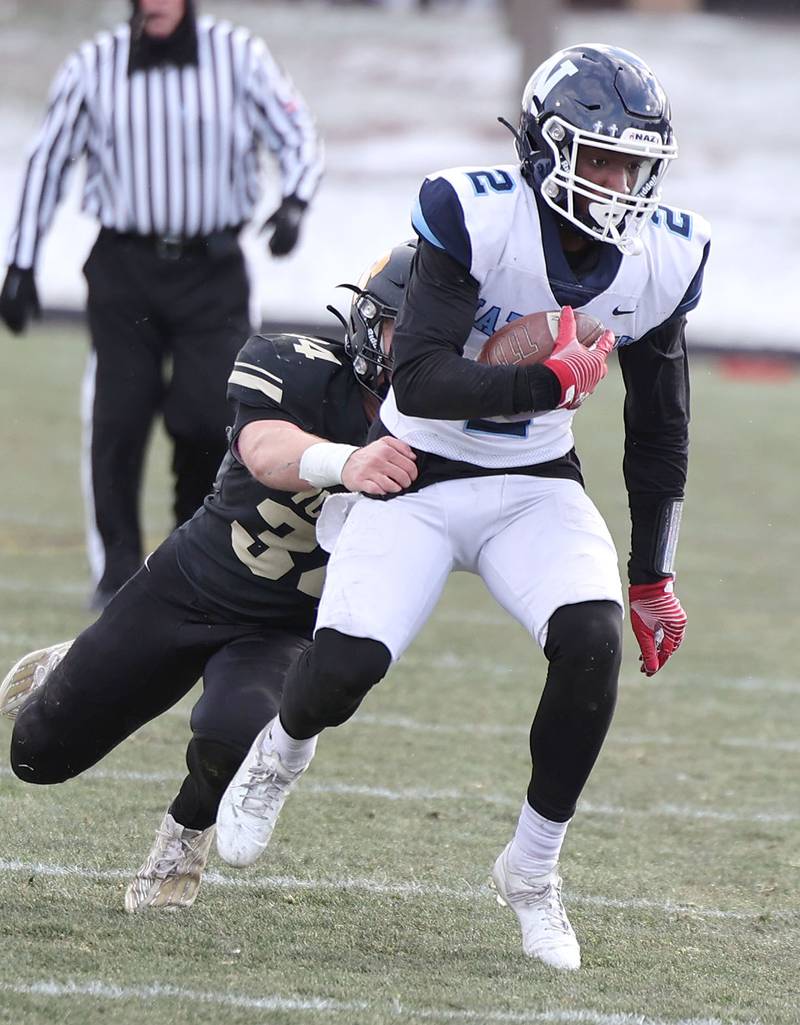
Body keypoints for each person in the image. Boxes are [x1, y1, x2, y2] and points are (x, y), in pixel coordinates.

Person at [215, 43, 710, 971]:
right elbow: (421, 376)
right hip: (419, 464)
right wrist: (545, 380)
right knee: (344, 667)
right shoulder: (472, 212)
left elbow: (660, 428)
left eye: (630, 161)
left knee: (593, 641)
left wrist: (655, 573)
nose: (615, 182)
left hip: (534, 484)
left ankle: (531, 869)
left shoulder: (665, 254)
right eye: (596, 157)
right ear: (544, 147)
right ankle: (281, 750)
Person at [0, 242, 417, 912]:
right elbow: (263, 450)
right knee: (36, 754)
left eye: (437, 335)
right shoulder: (297, 365)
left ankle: (183, 836)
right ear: (371, 323)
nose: (419, 348)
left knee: (237, 729)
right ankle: (75, 659)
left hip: (287, 628)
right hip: (189, 586)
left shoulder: (456, 428)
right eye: (409, 329)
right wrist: (348, 462)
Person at [0, 0, 324, 611]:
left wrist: (296, 202)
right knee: (119, 416)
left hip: (213, 269)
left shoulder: (238, 55)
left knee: (211, 416)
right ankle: (116, 569)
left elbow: (297, 132)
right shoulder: (94, 65)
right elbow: (48, 160)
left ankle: (191, 553)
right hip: (126, 268)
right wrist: (20, 262)